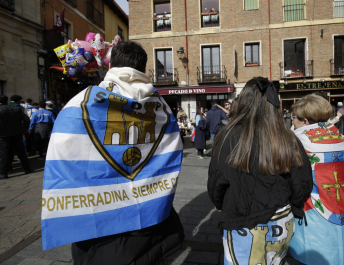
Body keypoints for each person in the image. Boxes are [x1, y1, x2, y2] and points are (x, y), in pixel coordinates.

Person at [45, 41, 185, 264]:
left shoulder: (79, 102)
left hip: (99, 226)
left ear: (111, 65)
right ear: (143, 67)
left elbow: (63, 150)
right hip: (150, 218)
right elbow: (173, 148)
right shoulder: (163, 107)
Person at [208, 78, 313, 265]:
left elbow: (216, 183)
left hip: (241, 219)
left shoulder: (228, 136)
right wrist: (293, 205)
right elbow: (302, 181)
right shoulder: (288, 137)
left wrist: (224, 205)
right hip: (280, 218)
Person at [289, 94, 344, 265]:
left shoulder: (297, 141)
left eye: (294, 117)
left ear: (305, 120)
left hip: (313, 209)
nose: (293, 121)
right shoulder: (338, 136)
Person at [0, 95, 32, 179]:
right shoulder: (16, 108)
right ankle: (27, 168)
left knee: (5, 153)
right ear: (7, 101)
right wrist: (25, 128)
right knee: (21, 152)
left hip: (3, 134)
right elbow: (26, 119)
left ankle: (3, 173)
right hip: (17, 133)